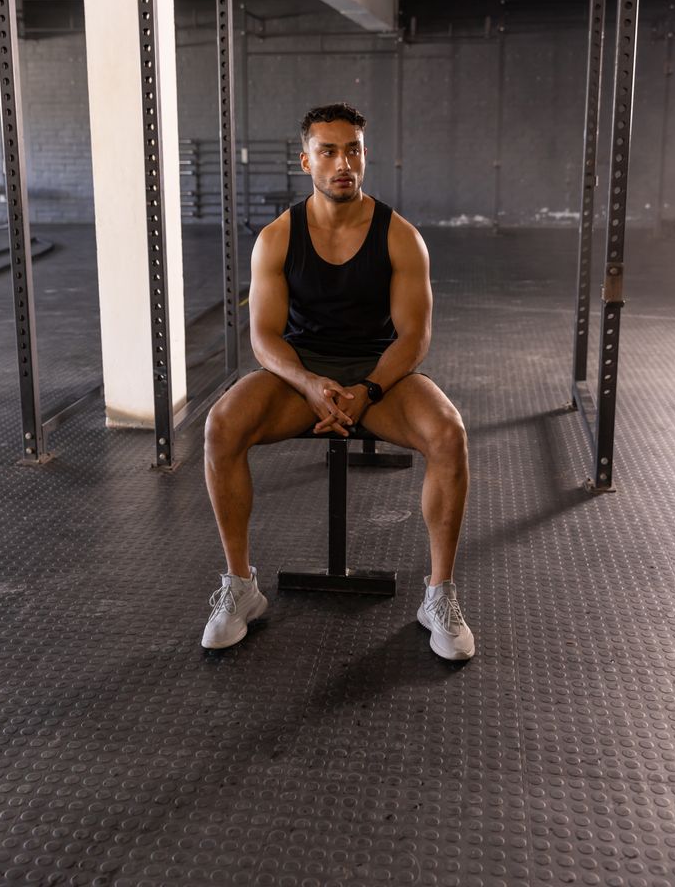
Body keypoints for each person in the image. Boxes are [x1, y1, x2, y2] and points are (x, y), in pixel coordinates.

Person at [202, 102, 474, 661]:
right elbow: (264, 339)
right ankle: (241, 588)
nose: (342, 162)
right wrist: (306, 382)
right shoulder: (278, 238)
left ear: (365, 156)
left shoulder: (400, 237)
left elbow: (413, 339)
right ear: (307, 161)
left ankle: (438, 596)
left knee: (448, 433)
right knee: (221, 426)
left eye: (353, 149)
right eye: (328, 151)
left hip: (381, 377)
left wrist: (367, 389)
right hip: (304, 376)